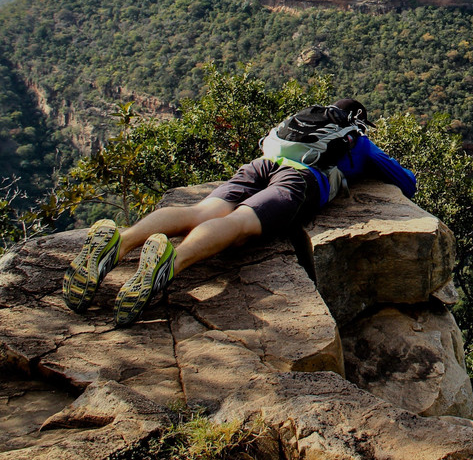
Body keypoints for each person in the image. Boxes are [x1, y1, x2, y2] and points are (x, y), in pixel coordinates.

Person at [61, 98, 417, 327]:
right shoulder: (359, 141)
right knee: (240, 223)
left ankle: (120, 242)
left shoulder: (304, 120)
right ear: (356, 121)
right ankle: (173, 260)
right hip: (297, 180)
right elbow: (406, 182)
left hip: (260, 165)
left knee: (200, 210)